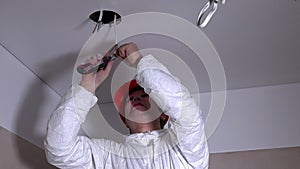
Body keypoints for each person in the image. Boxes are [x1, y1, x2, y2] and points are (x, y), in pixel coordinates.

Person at [44, 42, 209, 169]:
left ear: (164, 113)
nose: (137, 99)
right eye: (131, 99)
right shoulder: (109, 158)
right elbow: (59, 149)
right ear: (125, 119)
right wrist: (87, 86)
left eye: (145, 95)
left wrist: (139, 60)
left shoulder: (183, 151)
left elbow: (189, 115)